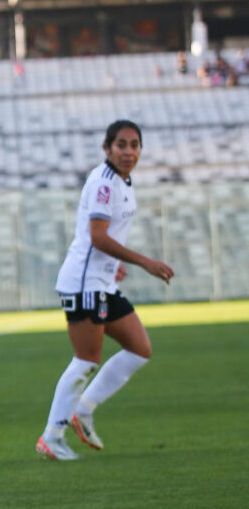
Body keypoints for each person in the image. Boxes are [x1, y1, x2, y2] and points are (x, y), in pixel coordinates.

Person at [36, 120, 174, 461]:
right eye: (121, 144)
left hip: (103, 281)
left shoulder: (124, 182)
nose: (128, 151)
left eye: (134, 145)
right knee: (85, 360)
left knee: (139, 349)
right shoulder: (104, 182)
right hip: (84, 284)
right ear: (107, 148)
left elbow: (98, 236)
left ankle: (82, 409)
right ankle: (51, 436)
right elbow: (96, 236)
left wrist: (116, 264)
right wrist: (144, 261)